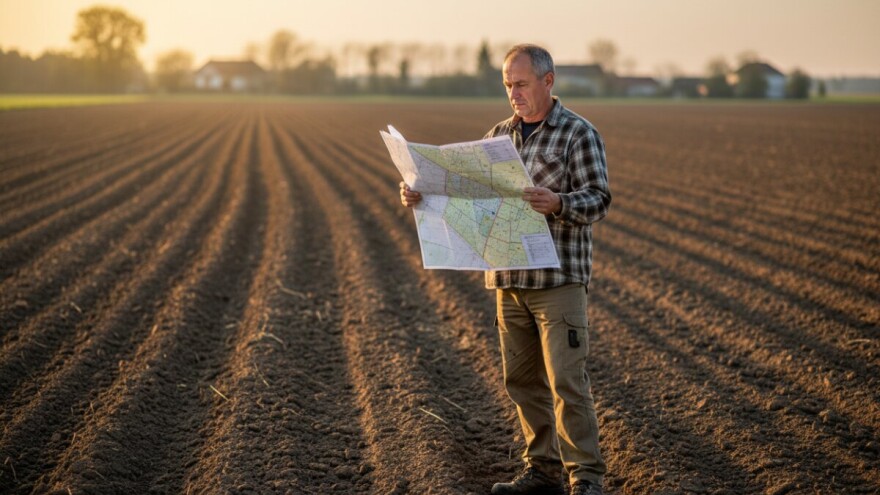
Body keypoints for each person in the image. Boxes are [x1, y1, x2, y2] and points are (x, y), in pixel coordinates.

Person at [400, 44, 610, 495]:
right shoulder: (498, 136)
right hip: (507, 279)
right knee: (521, 381)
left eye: (520, 84)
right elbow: (467, 199)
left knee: (567, 382)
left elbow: (599, 199)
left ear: (548, 81)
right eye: (507, 85)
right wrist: (421, 196)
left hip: (558, 282)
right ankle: (542, 472)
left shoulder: (578, 134)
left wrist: (559, 203)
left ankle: (586, 479)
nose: (513, 93)